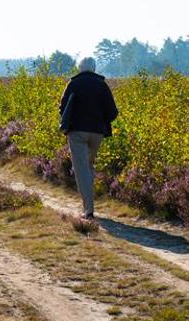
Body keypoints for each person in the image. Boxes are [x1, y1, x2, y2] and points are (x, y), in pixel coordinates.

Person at [59, 57, 119, 220]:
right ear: (94, 67)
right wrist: (100, 120)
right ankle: (89, 202)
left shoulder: (74, 83)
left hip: (77, 132)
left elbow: (62, 108)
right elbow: (113, 112)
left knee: (82, 170)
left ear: (80, 68)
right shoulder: (102, 85)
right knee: (88, 166)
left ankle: (88, 210)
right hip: (97, 133)